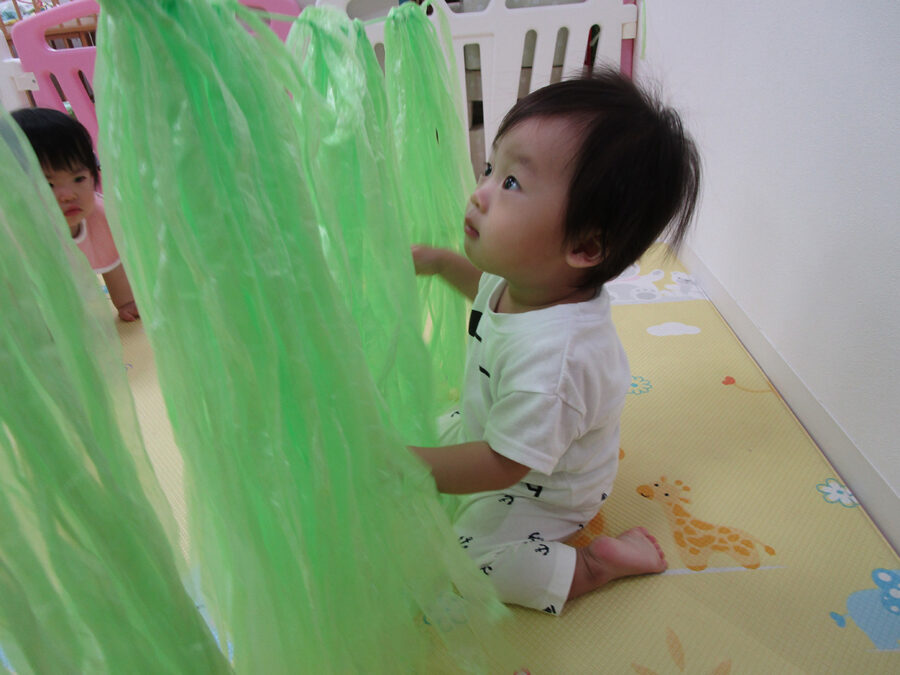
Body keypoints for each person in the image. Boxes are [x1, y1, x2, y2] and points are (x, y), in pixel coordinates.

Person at [410, 68, 700, 615]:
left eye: (511, 184)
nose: (479, 194)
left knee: (466, 561)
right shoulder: (523, 278)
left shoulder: (555, 365)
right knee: (415, 429)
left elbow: (503, 467)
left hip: (542, 488)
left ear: (585, 247)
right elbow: (484, 293)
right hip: (500, 430)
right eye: (491, 169)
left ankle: (592, 566)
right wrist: (442, 263)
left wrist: (414, 468)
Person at [12, 107, 139, 321]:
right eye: (48, 185)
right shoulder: (16, 231)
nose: (69, 195)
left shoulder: (99, 216)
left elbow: (110, 260)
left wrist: (125, 302)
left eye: (78, 179)